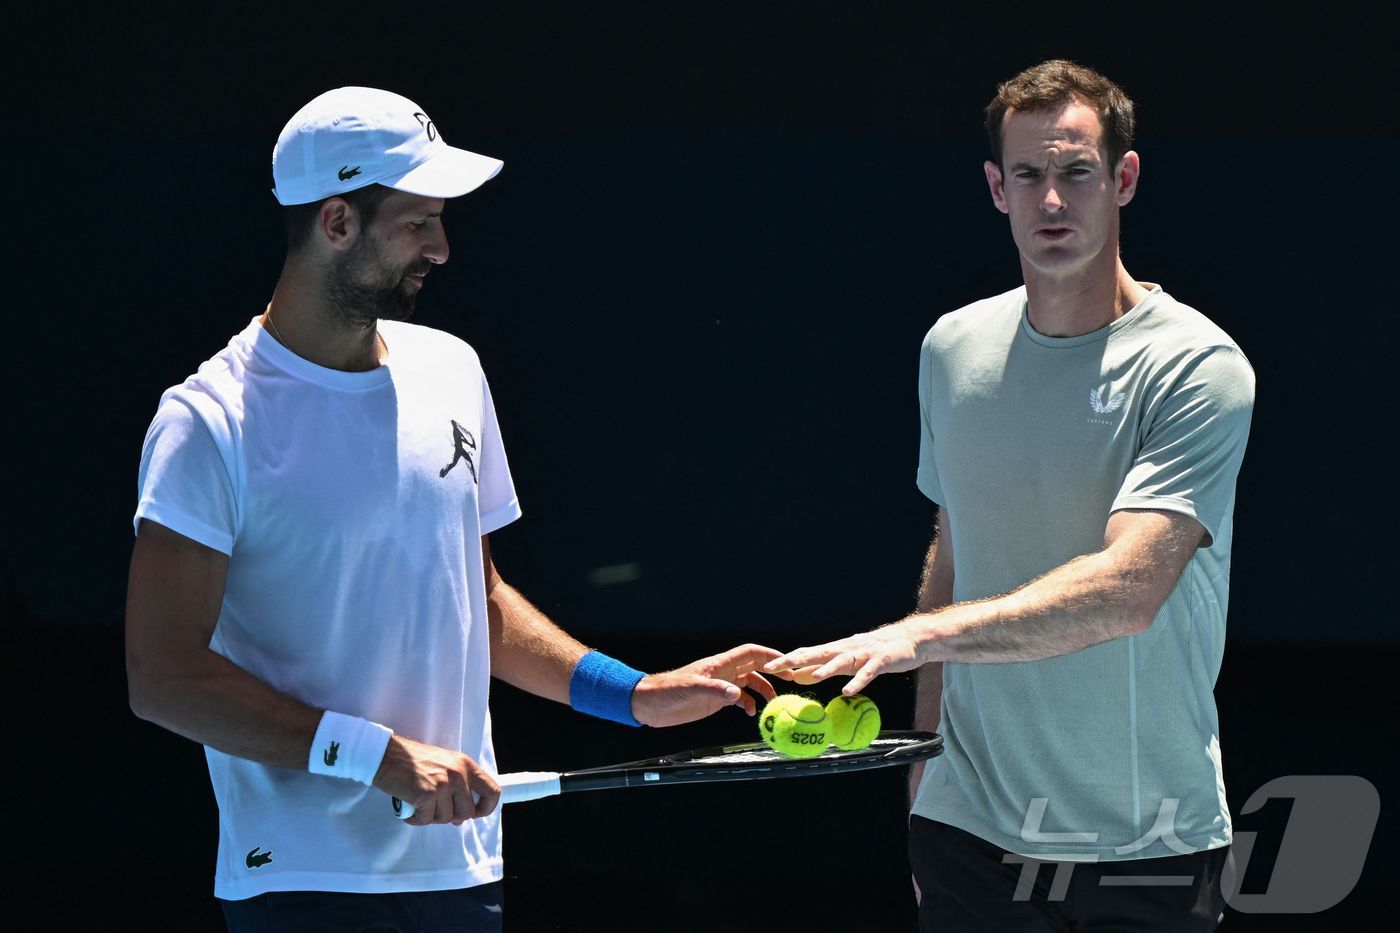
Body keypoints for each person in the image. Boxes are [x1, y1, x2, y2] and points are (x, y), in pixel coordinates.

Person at [125, 86, 779, 932]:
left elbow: (477, 597)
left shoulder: (453, 369)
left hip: (462, 863)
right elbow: (165, 677)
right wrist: (377, 758)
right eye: (416, 222)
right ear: (335, 223)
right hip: (304, 879)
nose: (441, 246)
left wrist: (637, 693)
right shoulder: (207, 421)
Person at [763, 60, 1255, 931]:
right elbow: (955, 553)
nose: (1051, 201)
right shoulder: (952, 348)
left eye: (1076, 173)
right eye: (1028, 175)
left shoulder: (1197, 366)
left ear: (1123, 180)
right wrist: (925, 771)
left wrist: (916, 637)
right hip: (969, 830)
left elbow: (1128, 590)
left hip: (1146, 843)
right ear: (996, 188)